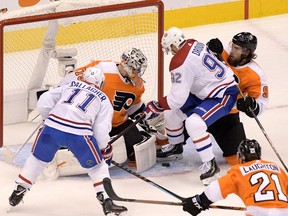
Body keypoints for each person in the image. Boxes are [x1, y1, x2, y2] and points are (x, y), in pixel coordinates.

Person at [8, 67, 128, 215]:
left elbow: (44, 100)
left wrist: (50, 118)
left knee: (37, 159)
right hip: (79, 134)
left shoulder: (70, 85)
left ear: (83, 78)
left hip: (51, 128)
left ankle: (21, 187)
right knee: (97, 166)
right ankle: (106, 200)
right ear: (101, 84)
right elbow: (101, 130)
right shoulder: (103, 99)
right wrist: (103, 148)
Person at [144, 27, 239, 185]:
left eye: (170, 49)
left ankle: (210, 165)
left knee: (194, 123)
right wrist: (163, 106)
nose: (171, 52)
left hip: (222, 93)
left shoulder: (179, 61)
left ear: (174, 45)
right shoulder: (194, 43)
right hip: (204, 91)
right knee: (170, 112)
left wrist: (156, 105)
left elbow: (177, 99)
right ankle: (176, 146)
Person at [60, 48, 158, 169]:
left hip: (117, 124)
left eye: (138, 70)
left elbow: (134, 108)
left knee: (135, 142)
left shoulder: (138, 86)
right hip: (93, 123)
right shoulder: (103, 68)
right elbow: (70, 79)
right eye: (134, 69)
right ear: (125, 64)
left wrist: (145, 115)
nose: (137, 73)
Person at [205, 32, 269, 165]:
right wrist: (209, 49)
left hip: (226, 117)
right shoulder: (223, 52)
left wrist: (250, 105)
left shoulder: (255, 75)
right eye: (232, 46)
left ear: (247, 52)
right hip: (203, 104)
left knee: (239, 159)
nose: (232, 50)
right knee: (174, 133)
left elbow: (260, 105)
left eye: (237, 49)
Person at [182, 138, 288, 216]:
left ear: (240, 156)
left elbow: (218, 188)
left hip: (258, 213)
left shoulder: (238, 171)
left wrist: (200, 201)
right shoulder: (276, 167)